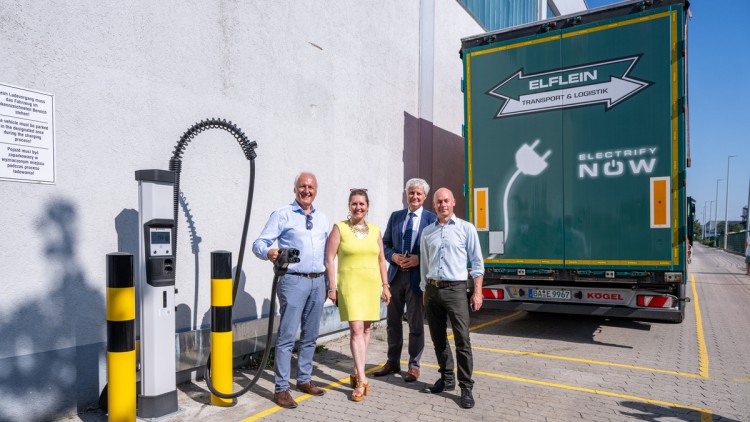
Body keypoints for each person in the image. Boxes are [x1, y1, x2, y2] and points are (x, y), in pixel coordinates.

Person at [252, 172, 329, 409]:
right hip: (293, 280)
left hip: (318, 281)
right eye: (302, 186)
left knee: (311, 335)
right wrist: (269, 253)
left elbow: (329, 252)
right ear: (295, 188)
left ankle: (304, 379)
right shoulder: (282, 214)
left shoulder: (322, 218)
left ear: (316, 190)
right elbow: (259, 243)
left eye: (311, 187)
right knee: (287, 337)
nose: (307, 190)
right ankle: (281, 388)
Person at [419, 187, 484, 409]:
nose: (442, 205)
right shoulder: (427, 232)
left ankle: (466, 387)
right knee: (438, 339)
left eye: (446, 200)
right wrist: (424, 291)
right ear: (434, 204)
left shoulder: (466, 229)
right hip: (433, 290)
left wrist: (477, 291)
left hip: (456, 290)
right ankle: (447, 379)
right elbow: (425, 265)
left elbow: (477, 263)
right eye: (439, 201)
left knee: (462, 340)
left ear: (453, 202)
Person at [324, 188, 391, 402]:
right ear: (349, 206)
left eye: (361, 204)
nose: (358, 207)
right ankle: (362, 380)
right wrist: (332, 287)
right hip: (350, 286)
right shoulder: (339, 228)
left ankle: (356, 370)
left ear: (367, 206)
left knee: (367, 329)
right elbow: (329, 259)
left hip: (371, 285)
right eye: (354, 203)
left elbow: (381, 260)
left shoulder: (375, 230)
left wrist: (385, 285)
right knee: (356, 329)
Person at [373, 178, 437, 382]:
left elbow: (435, 249)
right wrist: (393, 256)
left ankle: (414, 365)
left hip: (417, 278)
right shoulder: (396, 217)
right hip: (395, 276)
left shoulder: (431, 219)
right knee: (393, 322)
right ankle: (393, 361)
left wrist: (419, 259)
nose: (414, 197)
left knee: (416, 323)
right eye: (411, 193)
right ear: (406, 194)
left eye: (418, 194)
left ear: (425, 197)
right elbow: (385, 243)